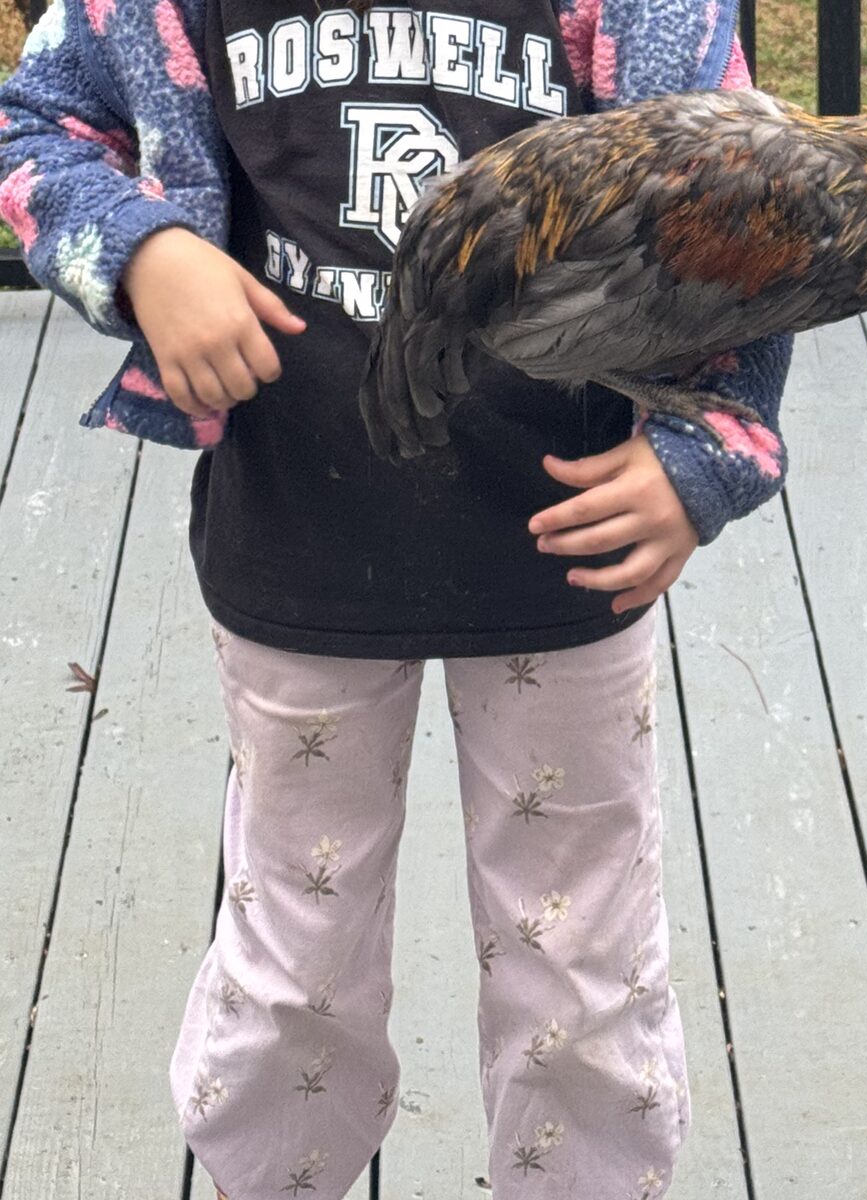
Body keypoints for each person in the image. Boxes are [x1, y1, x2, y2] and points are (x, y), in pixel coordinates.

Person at [0, 0, 793, 1196]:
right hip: (296, 538)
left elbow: (752, 205)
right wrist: (142, 250)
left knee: (581, 963)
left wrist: (708, 456)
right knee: (293, 963)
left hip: (565, 555)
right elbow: (33, 130)